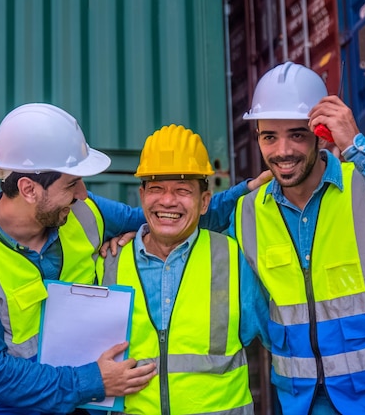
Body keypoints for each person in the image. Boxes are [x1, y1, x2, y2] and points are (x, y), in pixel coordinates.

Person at [0, 103, 269, 415]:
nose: (83, 194)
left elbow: (165, 218)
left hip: (80, 408)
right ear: (29, 189)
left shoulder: (84, 214)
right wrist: (94, 382)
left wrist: (246, 192)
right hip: (8, 411)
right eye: (72, 184)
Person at [232, 62, 365, 415]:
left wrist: (357, 147)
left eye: (297, 134)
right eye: (269, 136)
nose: (282, 150)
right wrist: (139, 233)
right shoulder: (247, 214)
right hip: (306, 405)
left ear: (320, 134)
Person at [96, 124, 270, 415]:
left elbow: (282, 340)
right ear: (141, 197)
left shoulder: (234, 260)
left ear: (204, 202)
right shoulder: (107, 264)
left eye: (182, 190)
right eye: (156, 189)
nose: (167, 200)